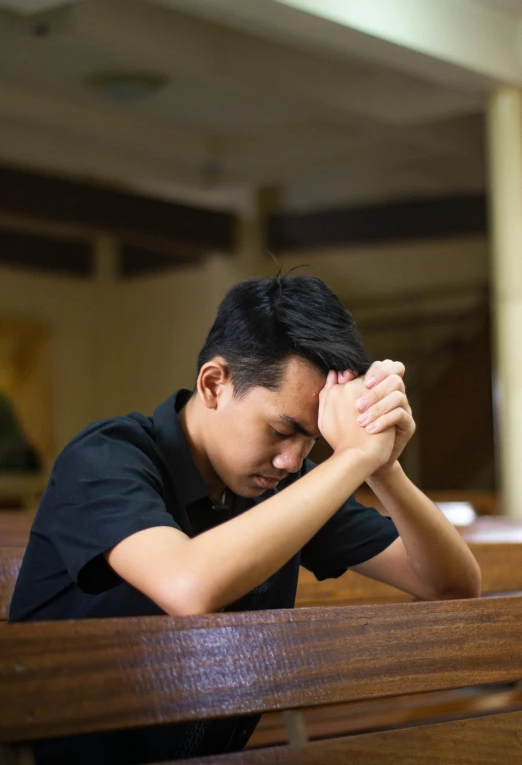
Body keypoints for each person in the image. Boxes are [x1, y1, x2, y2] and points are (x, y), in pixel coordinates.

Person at [9, 274, 481, 764]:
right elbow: (188, 586)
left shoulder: (291, 485)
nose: (293, 461)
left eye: (313, 439)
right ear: (214, 384)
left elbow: (450, 585)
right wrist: (353, 460)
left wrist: (383, 467)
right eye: (282, 430)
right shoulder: (105, 458)